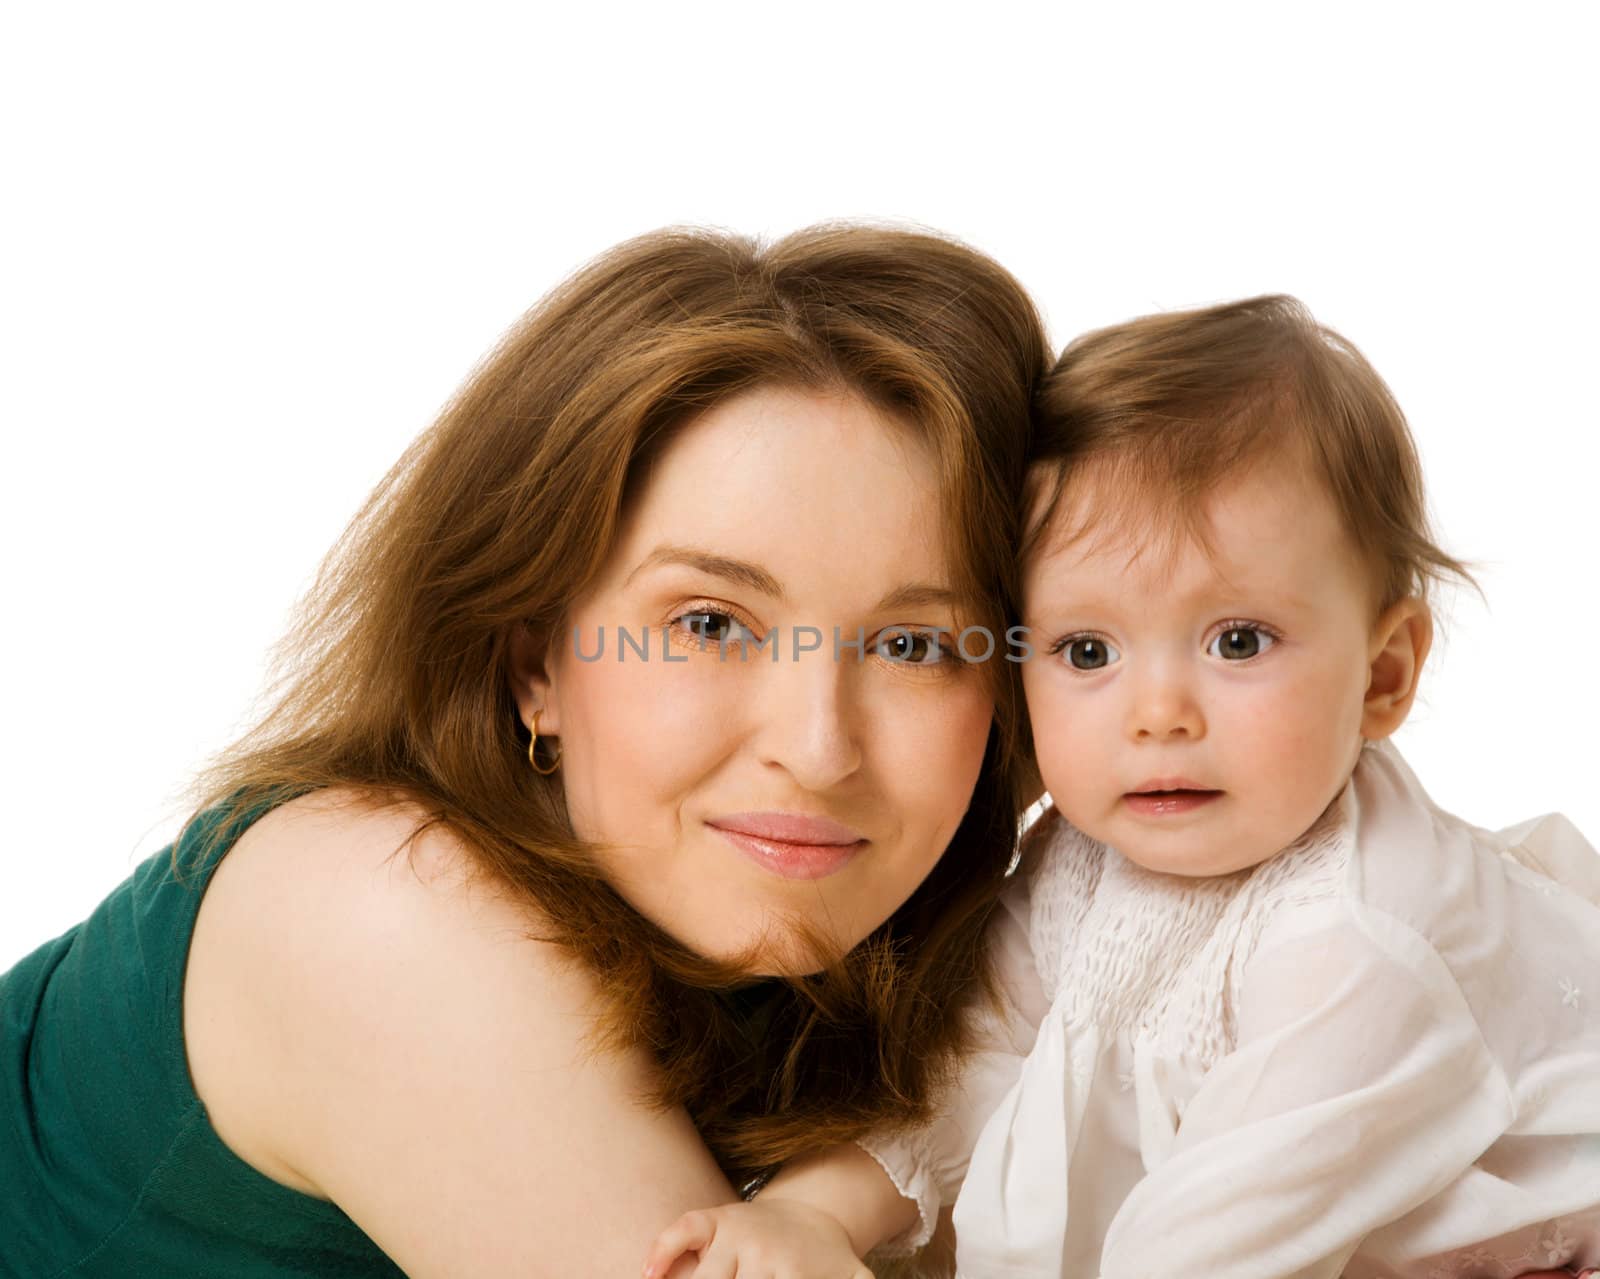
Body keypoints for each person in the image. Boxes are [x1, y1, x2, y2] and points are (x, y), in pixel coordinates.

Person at [0, 224, 1053, 1276]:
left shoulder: (926, 985)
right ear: (532, 663)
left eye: (915, 645)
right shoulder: (378, 908)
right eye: (711, 623)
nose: (821, 749)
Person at [644, 296, 1600, 1278]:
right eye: (1086, 649)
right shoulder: (1087, 849)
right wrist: (816, 1214)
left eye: (1237, 640)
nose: (1156, 714)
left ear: (1385, 673)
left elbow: (1206, 1251)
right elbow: (979, 1067)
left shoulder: (1357, 949)